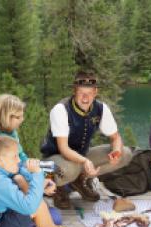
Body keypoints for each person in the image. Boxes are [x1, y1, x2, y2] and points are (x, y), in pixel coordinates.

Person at [41, 71, 132, 209]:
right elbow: (64, 149)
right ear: (74, 91)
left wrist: (116, 151)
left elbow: (115, 137)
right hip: (54, 160)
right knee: (68, 169)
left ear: (96, 92)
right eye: (81, 92)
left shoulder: (101, 108)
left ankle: (80, 180)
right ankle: (58, 189)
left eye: (89, 93)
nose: (85, 97)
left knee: (125, 154)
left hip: (81, 157)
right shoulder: (61, 109)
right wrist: (85, 162)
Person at [0, 136, 88, 227]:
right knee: (36, 206)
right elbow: (30, 207)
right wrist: (38, 174)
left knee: (21, 181)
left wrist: (41, 184)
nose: (18, 160)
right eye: (14, 157)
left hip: (2, 217)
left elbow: (21, 168)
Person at [0, 94, 56, 197]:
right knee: (23, 177)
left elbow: (20, 153)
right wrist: (24, 169)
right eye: (18, 117)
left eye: (22, 115)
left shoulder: (11, 130)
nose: (22, 119)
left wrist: (28, 162)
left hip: (18, 163)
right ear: (6, 116)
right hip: (5, 170)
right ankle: (36, 195)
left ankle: (45, 189)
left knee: (49, 167)